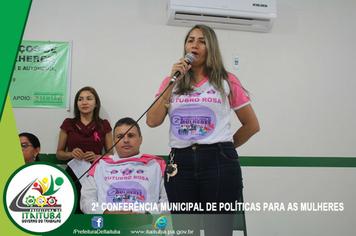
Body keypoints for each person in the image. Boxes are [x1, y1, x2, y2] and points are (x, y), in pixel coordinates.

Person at [146, 24, 260, 236]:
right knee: (185, 231)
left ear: (211, 47)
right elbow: (152, 121)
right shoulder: (172, 82)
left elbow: (252, 125)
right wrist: (172, 82)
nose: (194, 45)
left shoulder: (227, 80)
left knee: (217, 232)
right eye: (190, 40)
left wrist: (223, 147)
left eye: (202, 41)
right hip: (180, 164)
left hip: (219, 163)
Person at [80, 117, 168, 215]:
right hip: (108, 225)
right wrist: (107, 214)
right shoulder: (100, 165)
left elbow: (168, 201)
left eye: (131, 136)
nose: (126, 140)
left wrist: (147, 216)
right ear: (114, 141)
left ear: (141, 139)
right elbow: (86, 200)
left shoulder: (156, 165)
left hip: (146, 225)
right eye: (120, 137)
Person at [56, 86, 114, 214]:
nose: (84, 102)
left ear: (96, 103)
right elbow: (59, 153)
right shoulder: (68, 123)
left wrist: (98, 157)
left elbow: (111, 154)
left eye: (89, 99)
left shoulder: (104, 124)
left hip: (96, 173)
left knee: (95, 210)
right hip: (73, 173)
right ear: (77, 104)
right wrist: (71, 154)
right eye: (80, 99)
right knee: (71, 209)